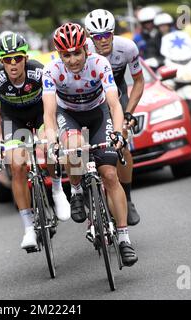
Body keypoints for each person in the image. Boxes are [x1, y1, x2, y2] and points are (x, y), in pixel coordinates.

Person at [42, 23, 138, 266]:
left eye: (77, 53)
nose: (73, 60)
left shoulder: (99, 64)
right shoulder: (51, 70)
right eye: (66, 55)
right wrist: (53, 140)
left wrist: (117, 133)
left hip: (99, 113)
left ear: (86, 49)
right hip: (69, 114)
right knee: (74, 148)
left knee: (109, 173)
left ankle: (124, 238)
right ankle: (75, 190)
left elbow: (115, 105)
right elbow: (50, 113)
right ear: (59, 54)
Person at [0, 32, 70, 250]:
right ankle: (28, 228)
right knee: (17, 165)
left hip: (40, 114)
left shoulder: (38, 71)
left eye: (17, 58)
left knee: (50, 145)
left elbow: (50, 106)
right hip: (13, 121)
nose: (13, 63)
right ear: (1, 61)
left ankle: (57, 190)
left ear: (25, 57)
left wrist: (49, 134)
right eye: (7, 59)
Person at [84, 9, 145, 226]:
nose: (103, 41)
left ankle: (126, 198)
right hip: (90, 94)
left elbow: (138, 81)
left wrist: (128, 111)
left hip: (116, 91)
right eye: (97, 37)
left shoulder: (127, 47)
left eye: (107, 35)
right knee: (81, 144)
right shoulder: (83, 50)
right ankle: (86, 191)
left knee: (122, 143)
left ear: (113, 33)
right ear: (91, 38)